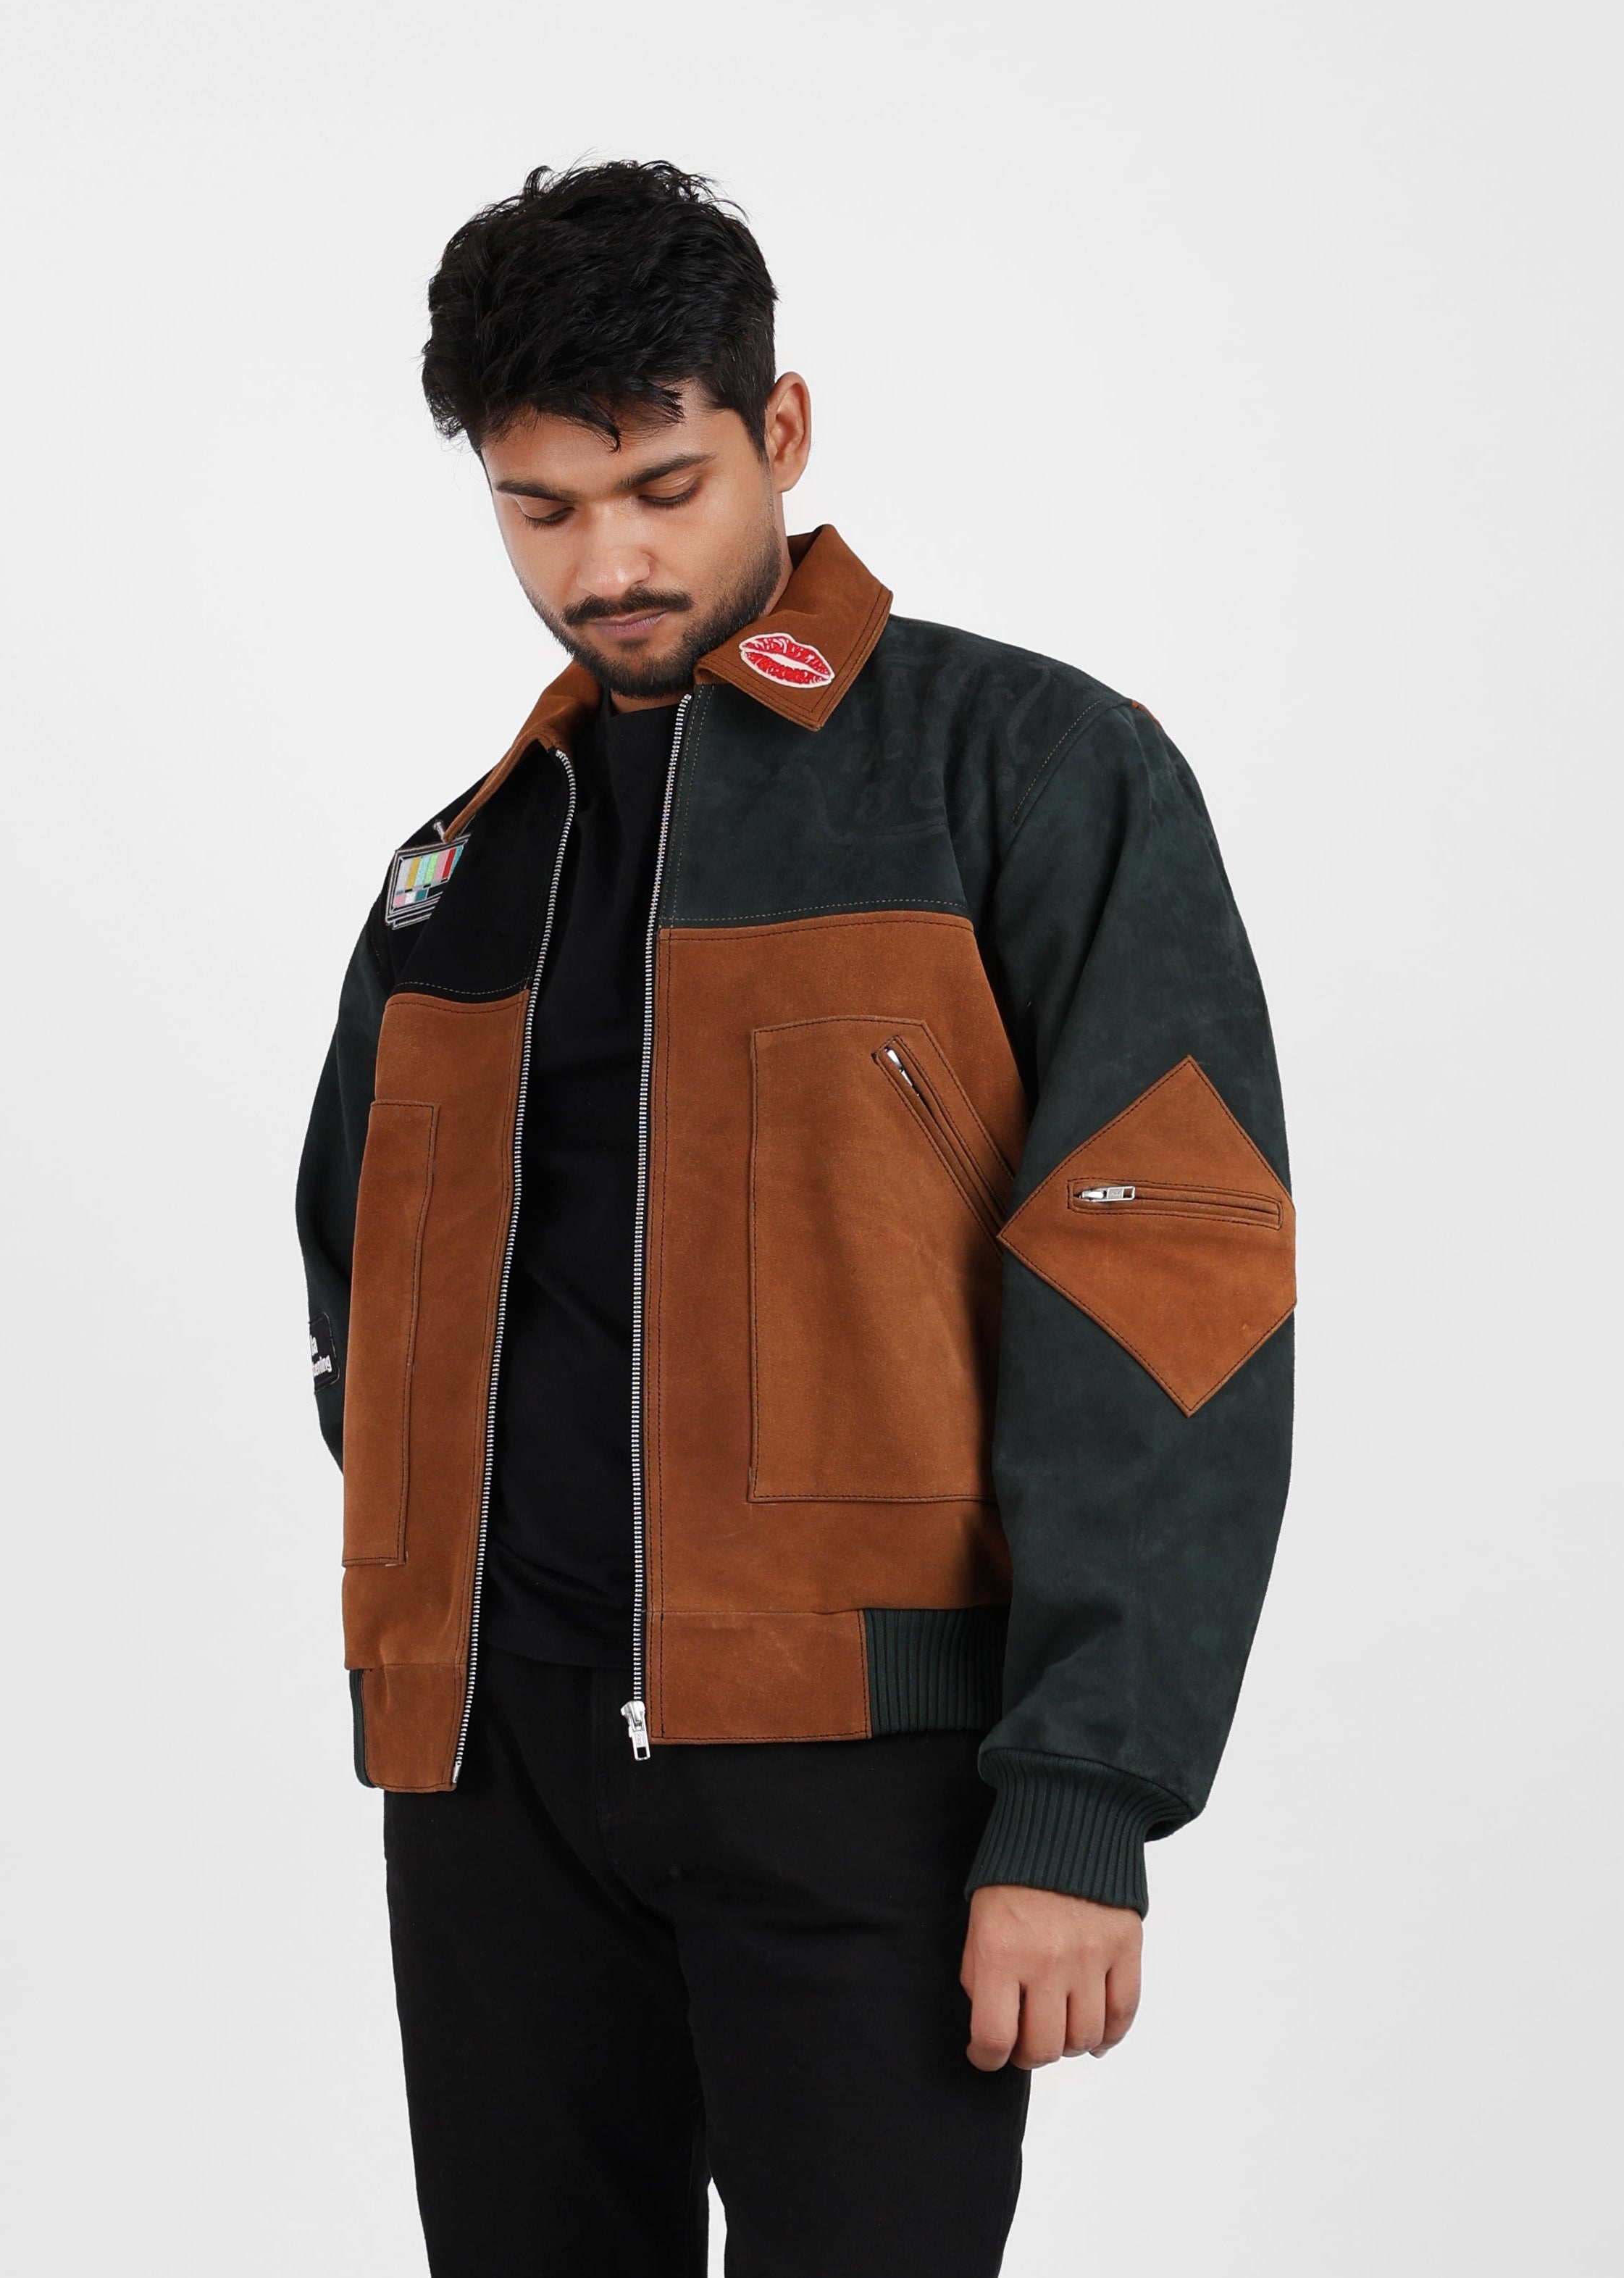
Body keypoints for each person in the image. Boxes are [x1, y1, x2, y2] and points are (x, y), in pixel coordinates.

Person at [296, 160, 1294, 2277]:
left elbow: (1172, 1279)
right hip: (490, 1782)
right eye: (540, 509)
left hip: (870, 1779)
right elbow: (356, 1286)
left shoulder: (1025, 771)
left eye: (663, 486)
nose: (609, 563)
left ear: (784, 428)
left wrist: (1082, 1795)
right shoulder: (460, 865)